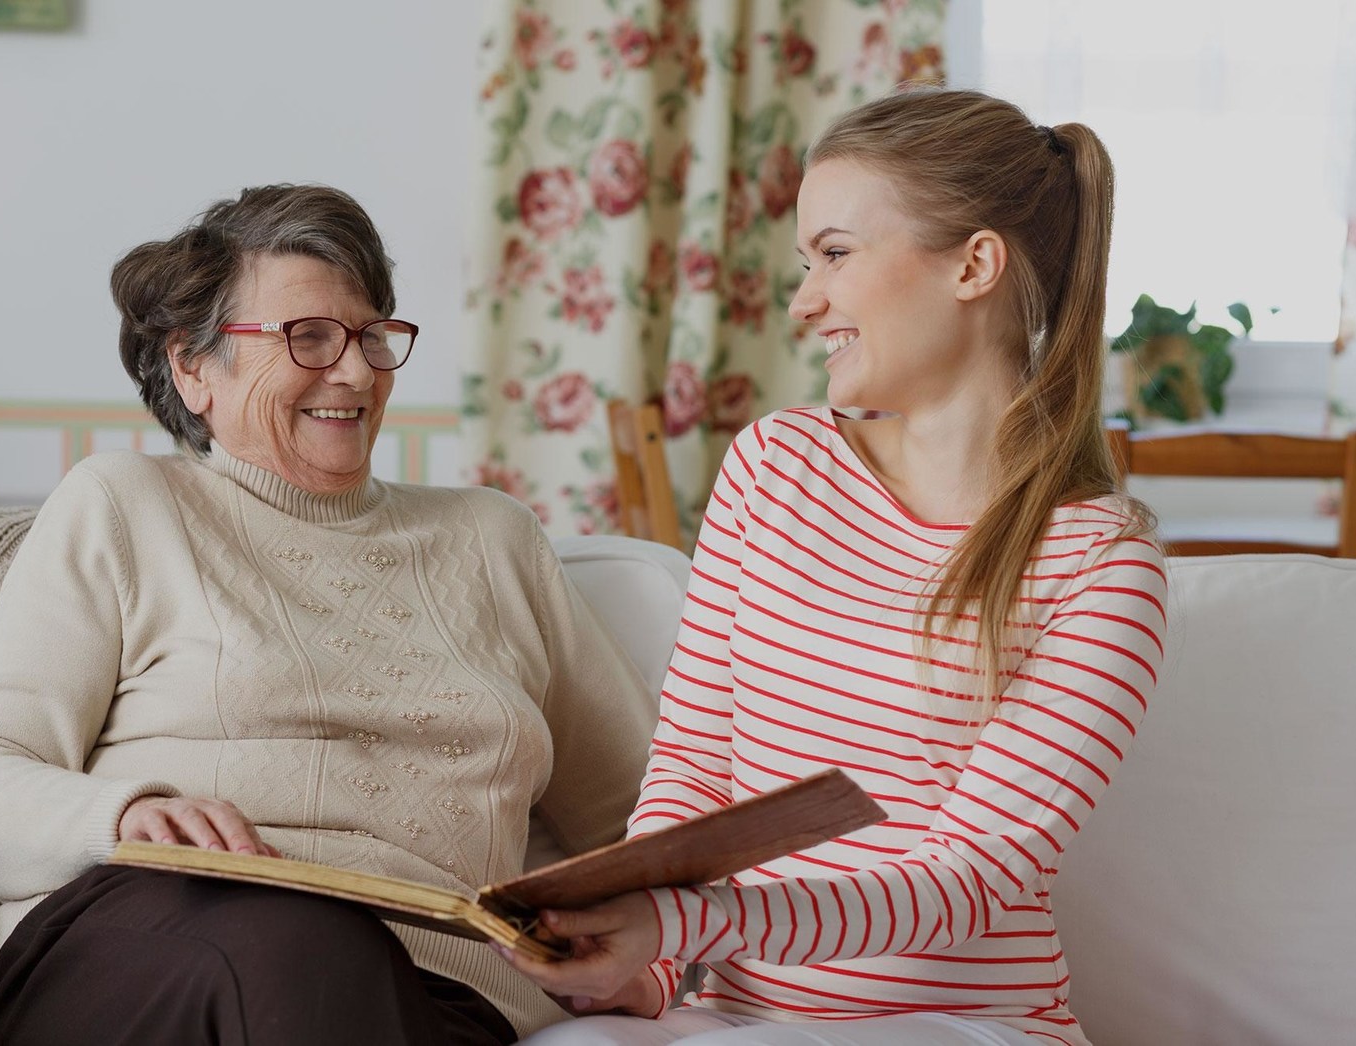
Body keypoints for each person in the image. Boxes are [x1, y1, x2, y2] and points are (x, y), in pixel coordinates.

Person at [500, 86, 1170, 1046]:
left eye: (836, 255)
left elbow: (966, 880)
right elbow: (694, 763)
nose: (804, 300)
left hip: (964, 1025)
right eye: (805, 261)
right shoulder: (776, 466)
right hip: (726, 1014)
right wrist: (641, 962)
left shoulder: (1101, 566)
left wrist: (693, 920)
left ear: (975, 264)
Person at [0, 183, 657, 1046]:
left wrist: (660, 951)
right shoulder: (123, 505)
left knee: (340, 973)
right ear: (192, 366)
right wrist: (123, 816)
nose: (353, 371)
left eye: (372, 337)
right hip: (152, 933)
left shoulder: (495, 540)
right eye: (308, 338)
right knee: (304, 944)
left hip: (444, 986)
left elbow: (649, 809)